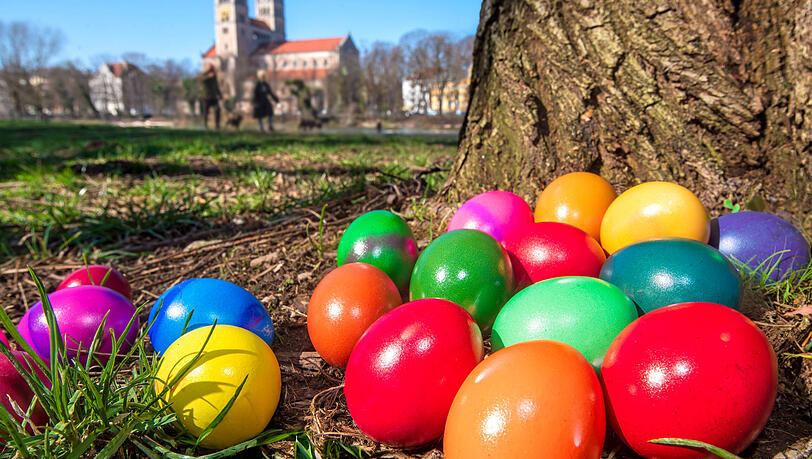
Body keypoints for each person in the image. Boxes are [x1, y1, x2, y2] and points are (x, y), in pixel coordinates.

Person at [199, 64, 222, 130]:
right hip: (206, 97)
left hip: (214, 96)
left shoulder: (214, 76)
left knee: (217, 109)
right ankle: (205, 125)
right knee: (206, 112)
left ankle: (217, 125)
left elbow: (216, 85)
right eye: (211, 68)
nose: (212, 70)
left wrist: (219, 94)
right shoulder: (204, 74)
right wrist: (208, 76)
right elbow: (202, 80)